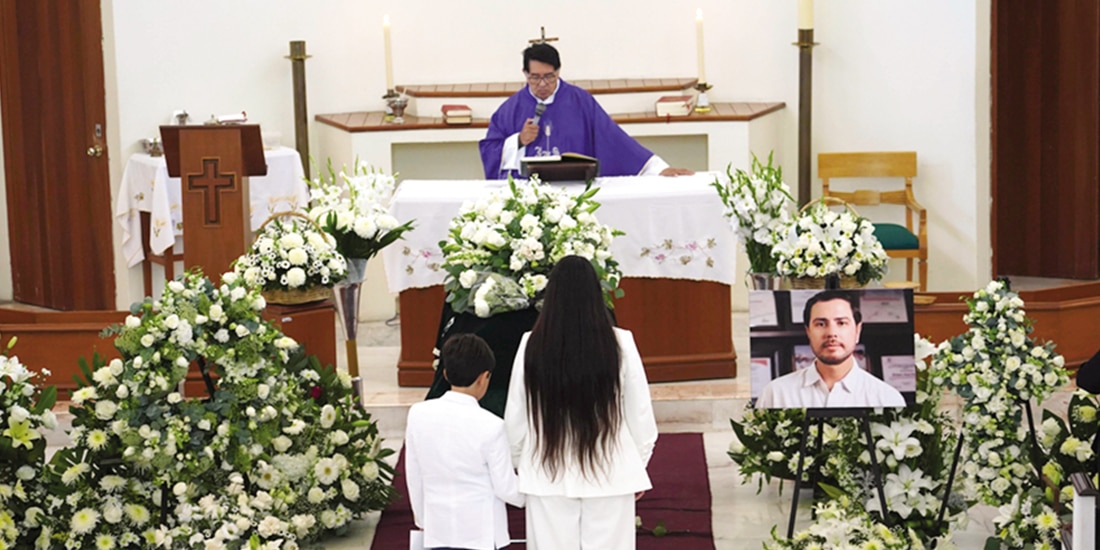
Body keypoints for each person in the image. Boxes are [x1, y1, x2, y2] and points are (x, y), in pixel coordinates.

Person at [504, 255, 658, 549]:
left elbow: (516, 417)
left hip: (547, 471)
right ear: (595, 294)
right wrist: (636, 465)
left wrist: (520, 461)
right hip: (611, 471)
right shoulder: (620, 343)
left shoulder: (531, 344)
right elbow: (639, 414)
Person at [479, 43, 694, 180]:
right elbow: (489, 149)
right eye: (535, 77)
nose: (542, 84)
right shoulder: (510, 109)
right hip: (529, 195)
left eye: (549, 77)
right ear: (525, 73)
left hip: (574, 190)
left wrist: (656, 168)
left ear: (558, 71)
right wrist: (518, 141)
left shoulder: (580, 101)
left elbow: (613, 138)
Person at [405, 334, 525, 550]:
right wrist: (533, 494)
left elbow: (414, 474)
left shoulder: (418, 414)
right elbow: (506, 488)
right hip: (480, 533)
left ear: (445, 373)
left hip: (437, 528)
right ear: (484, 377)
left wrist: (422, 519)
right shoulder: (492, 425)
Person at [756, 290, 907, 409]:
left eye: (841, 323)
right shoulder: (775, 394)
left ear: (857, 330)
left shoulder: (887, 398)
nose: (831, 333)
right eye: (821, 324)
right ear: (808, 331)